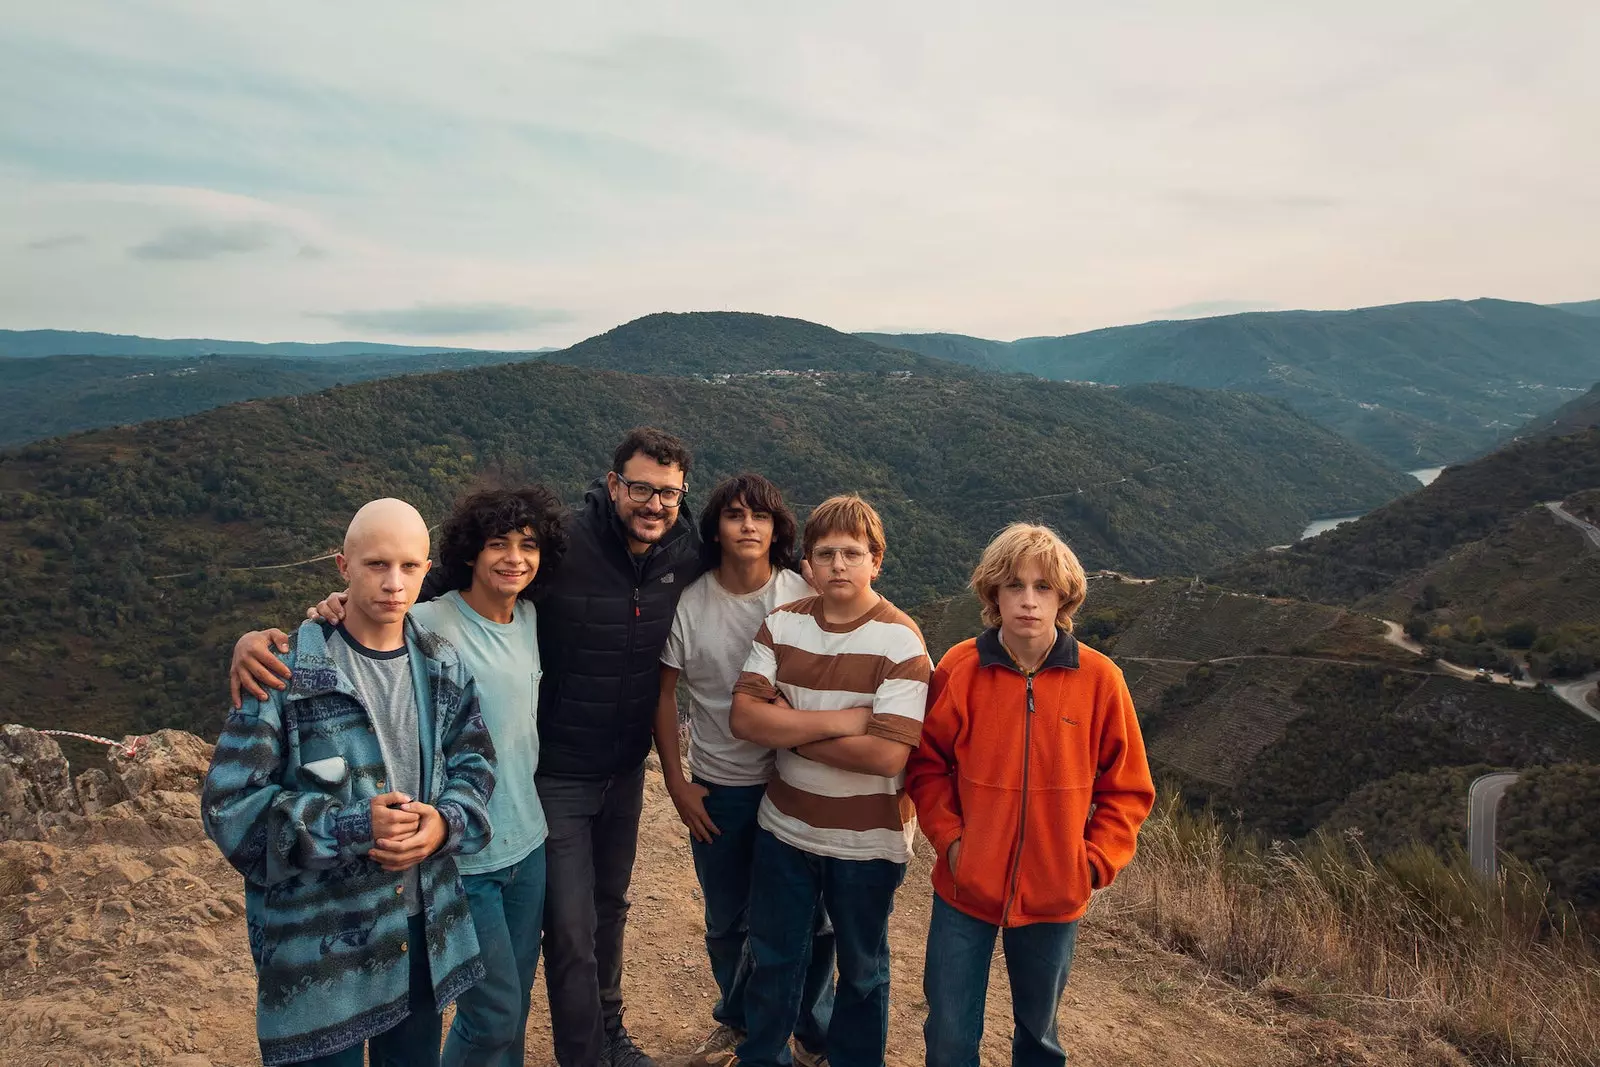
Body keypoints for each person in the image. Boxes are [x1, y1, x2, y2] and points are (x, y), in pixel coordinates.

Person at [230, 428, 703, 1067]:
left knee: (531, 984)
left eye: (668, 492)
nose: (515, 558)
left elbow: (472, 746)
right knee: (496, 1008)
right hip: (466, 850)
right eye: (641, 487)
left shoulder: (543, 611)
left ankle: (598, 1041)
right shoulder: (433, 627)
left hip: (532, 827)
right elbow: (378, 618)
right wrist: (275, 636)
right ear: (615, 484)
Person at [229, 485, 569, 1065]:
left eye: (409, 566)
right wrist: (353, 827)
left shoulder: (441, 663)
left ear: (426, 569)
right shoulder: (288, 675)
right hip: (319, 956)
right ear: (343, 568)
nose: (393, 583)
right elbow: (233, 810)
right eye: (376, 565)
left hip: (420, 931)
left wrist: (443, 824)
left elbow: (474, 761)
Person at [905, 523, 1155, 1067]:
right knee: (948, 1035)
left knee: (1039, 1039)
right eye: (1014, 585)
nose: (1027, 600)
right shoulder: (961, 669)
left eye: (1043, 587)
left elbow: (1128, 789)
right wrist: (951, 844)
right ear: (992, 594)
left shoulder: (1100, 680)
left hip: (1053, 894)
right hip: (964, 888)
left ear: (1064, 597)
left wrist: (1090, 864)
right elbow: (927, 766)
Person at [700, 494, 932, 1067]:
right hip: (785, 829)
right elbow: (745, 718)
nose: (837, 565)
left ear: (877, 561)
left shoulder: (901, 641)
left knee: (861, 970)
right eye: (825, 553)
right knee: (776, 957)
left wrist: (793, 732)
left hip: (869, 843)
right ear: (807, 562)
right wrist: (841, 723)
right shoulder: (781, 625)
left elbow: (885, 756)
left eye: (852, 554)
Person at [653, 474, 833, 1064]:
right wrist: (678, 783)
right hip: (721, 785)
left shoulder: (799, 594)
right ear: (717, 529)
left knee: (811, 921)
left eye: (761, 515)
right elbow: (665, 693)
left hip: (795, 782)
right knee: (728, 919)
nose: (748, 525)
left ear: (778, 528)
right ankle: (743, 1021)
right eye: (735, 515)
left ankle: (813, 1029)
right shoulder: (692, 602)